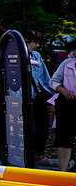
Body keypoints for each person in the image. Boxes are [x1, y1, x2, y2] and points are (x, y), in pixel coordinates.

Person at [24, 31, 56, 166]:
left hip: (38, 94)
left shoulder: (36, 55)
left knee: (43, 125)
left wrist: (51, 93)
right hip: (24, 95)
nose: (36, 46)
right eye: (34, 43)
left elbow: (45, 76)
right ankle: (25, 153)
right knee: (25, 125)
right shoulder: (16, 55)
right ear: (26, 41)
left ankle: (39, 154)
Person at [48, 42, 76, 173]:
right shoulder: (66, 64)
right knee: (64, 137)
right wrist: (64, 91)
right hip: (67, 103)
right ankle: (63, 170)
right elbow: (53, 81)